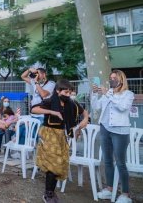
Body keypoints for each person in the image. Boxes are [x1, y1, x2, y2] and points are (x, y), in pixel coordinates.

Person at [32, 79, 89, 203]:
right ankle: (48, 194)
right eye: (66, 92)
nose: (68, 95)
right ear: (58, 91)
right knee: (53, 163)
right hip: (49, 134)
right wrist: (52, 111)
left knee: (58, 163)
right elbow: (34, 109)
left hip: (61, 135)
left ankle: (50, 193)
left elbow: (85, 112)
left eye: (70, 93)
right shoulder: (50, 101)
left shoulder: (71, 103)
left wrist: (85, 120)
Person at [92, 70, 134, 203]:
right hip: (105, 128)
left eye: (114, 78)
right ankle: (110, 189)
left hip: (120, 131)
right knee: (107, 160)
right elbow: (96, 107)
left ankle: (125, 194)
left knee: (120, 163)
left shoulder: (128, 94)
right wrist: (94, 93)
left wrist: (108, 95)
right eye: (110, 78)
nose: (112, 80)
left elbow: (122, 108)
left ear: (121, 80)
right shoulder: (108, 93)